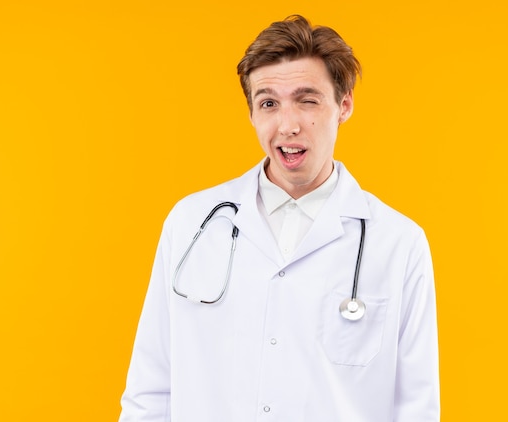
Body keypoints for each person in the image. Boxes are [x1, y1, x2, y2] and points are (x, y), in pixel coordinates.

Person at [119, 14, 439, 422]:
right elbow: (150, 389)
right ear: (251, 113)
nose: (288, 125)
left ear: (344, 105)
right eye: (269, 103)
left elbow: (415, 407)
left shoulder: (398, 243)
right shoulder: (191, 224)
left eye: (307, 100)